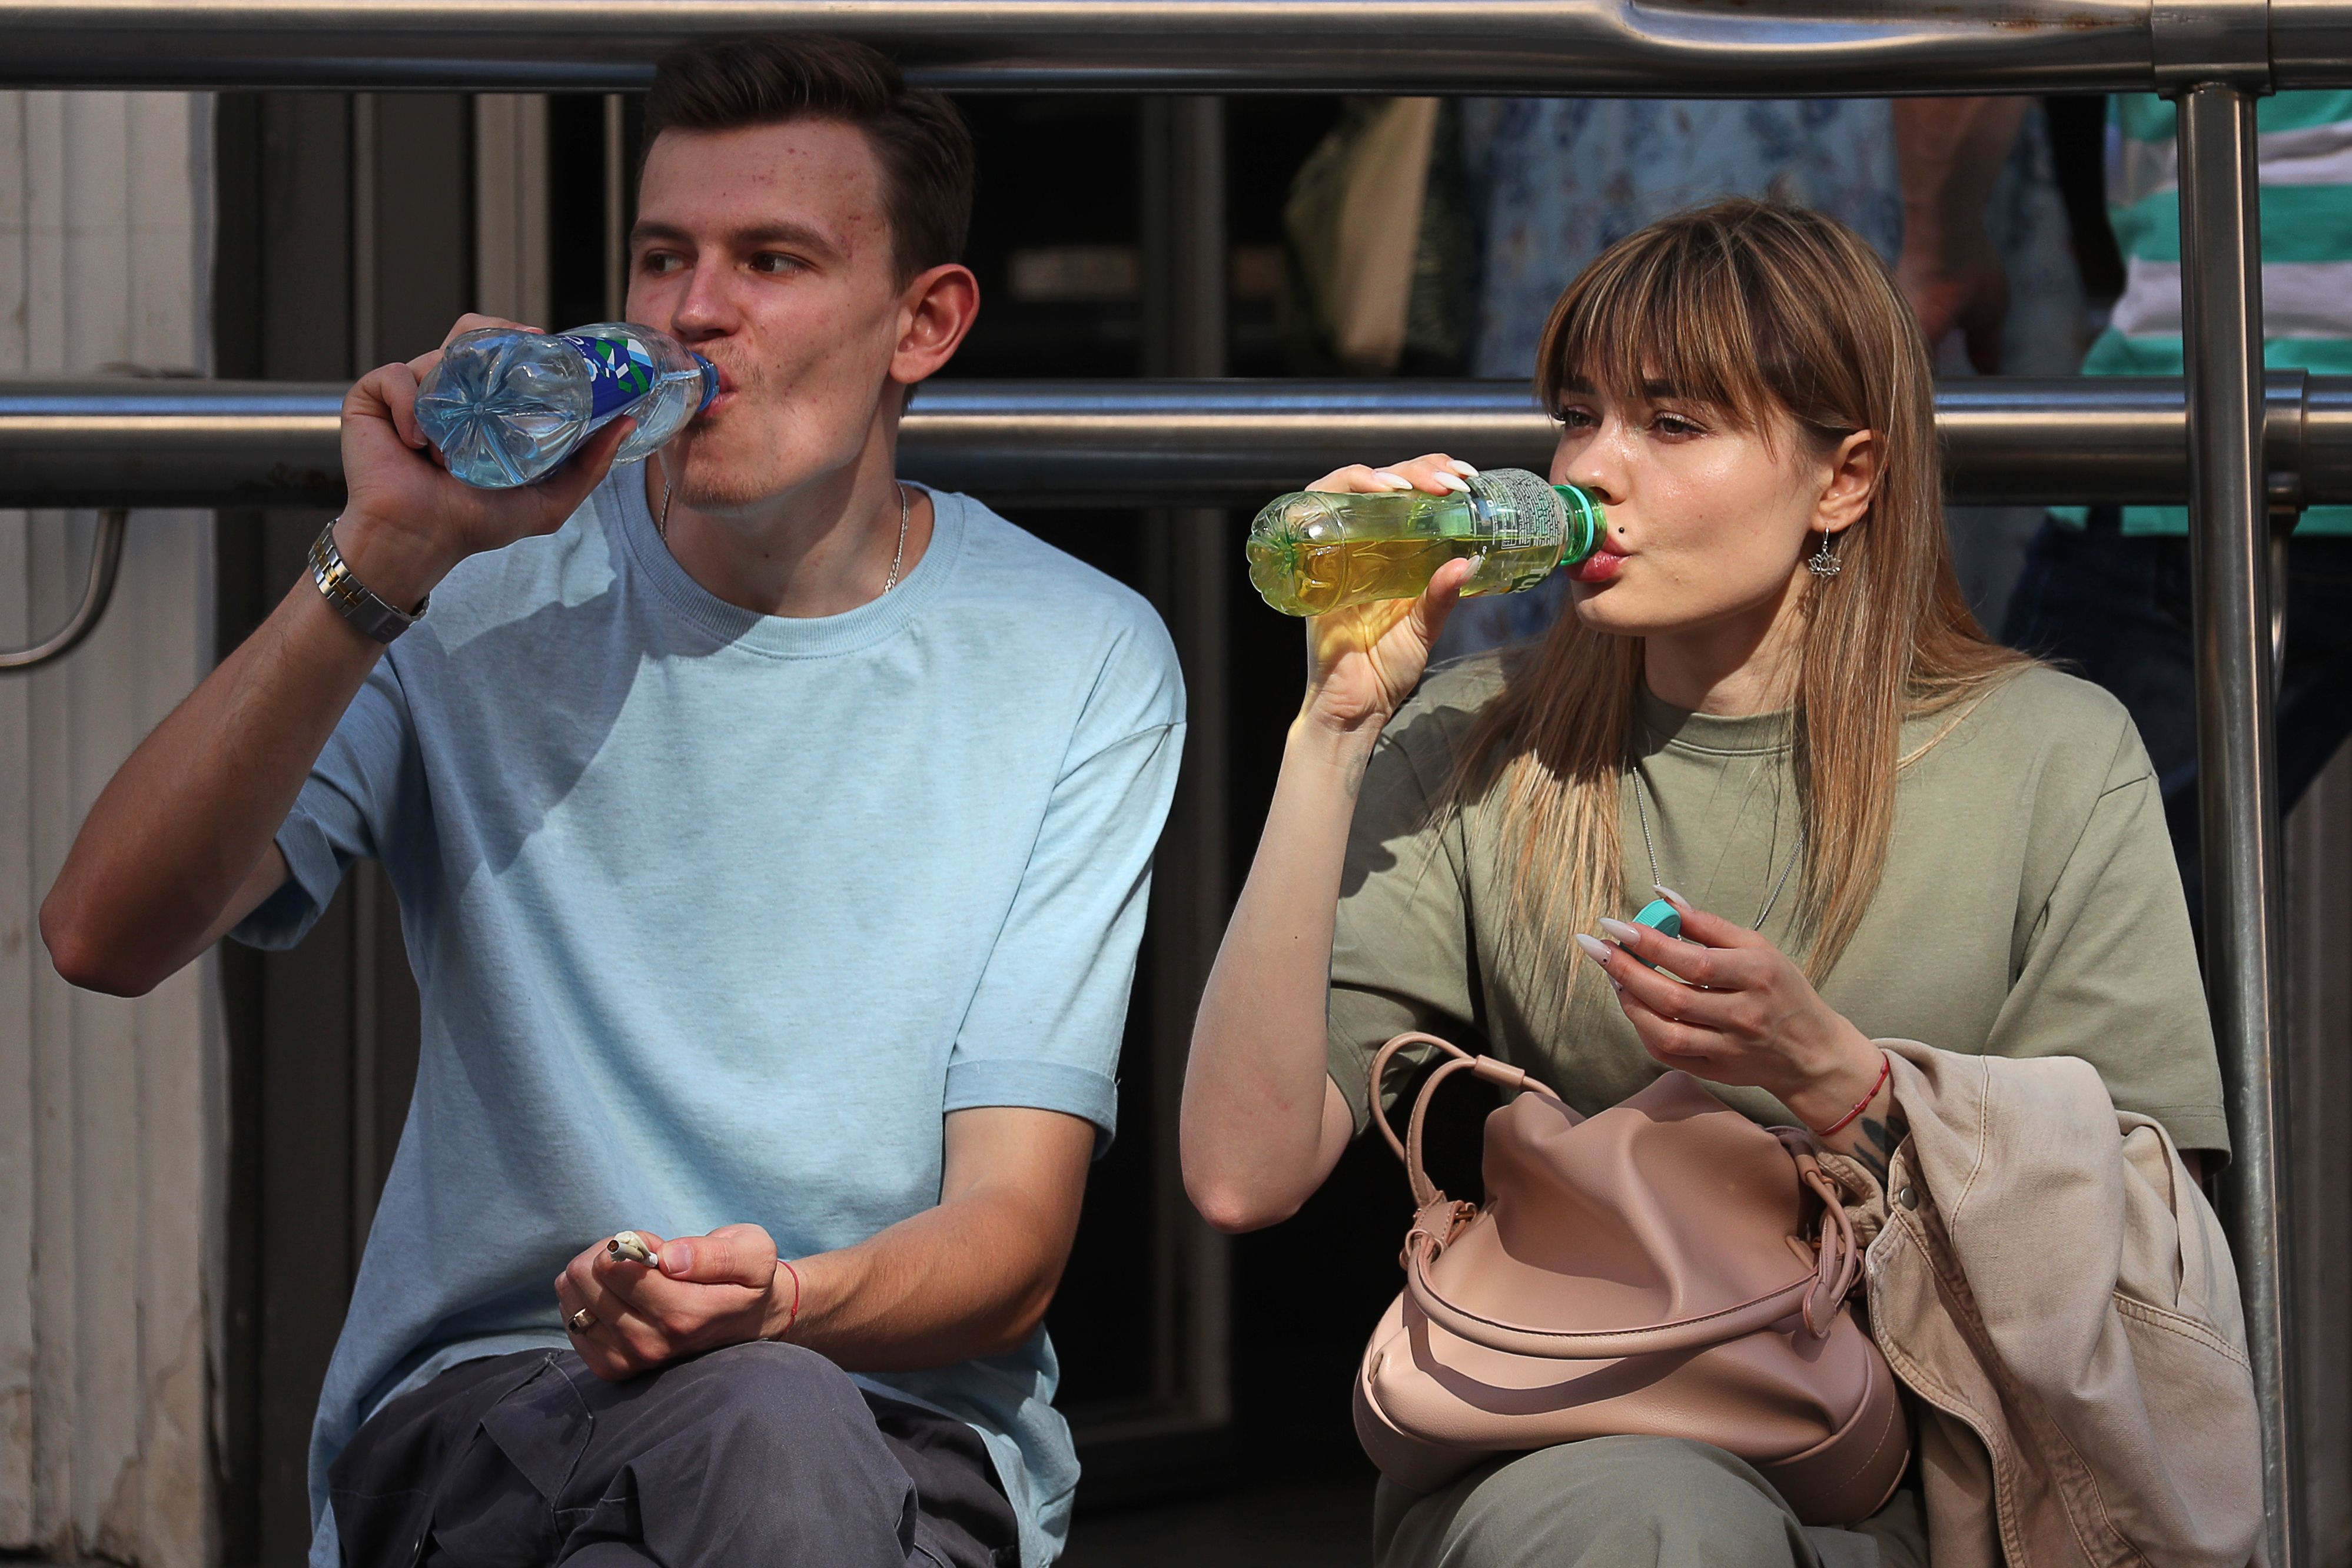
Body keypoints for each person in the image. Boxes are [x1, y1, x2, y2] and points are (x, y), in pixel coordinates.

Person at [39, 35, 1183, 1568]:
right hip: (493, 1407)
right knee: (756, 1446)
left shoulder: (1075, 655)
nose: (695, 312)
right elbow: (101, 930)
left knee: (767, 1428)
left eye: (769, 260)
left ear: (925, 322)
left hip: (885, 1420)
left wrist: (775, 1307)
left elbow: (1009, 1241)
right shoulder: (466, 596)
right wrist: (378, 560)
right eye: (663, 258)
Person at [1182, 201, 2239, 1567]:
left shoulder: (2047, 752)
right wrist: (1329, 736)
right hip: (1580, 1452)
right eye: (1579, 416)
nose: (1595, 470)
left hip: (1952, 1474)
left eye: (1673, 425)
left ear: (1845, 478)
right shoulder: (1469, 736)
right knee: (1642, 1523)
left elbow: (2149, 1228)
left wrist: (1837, 1080)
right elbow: (1241, 1175)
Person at [1998, 89, 2352, 909]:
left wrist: (1938, 247)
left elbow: (1970, 48)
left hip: (2215, 423)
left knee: (2036, 904)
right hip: (2229, 425)